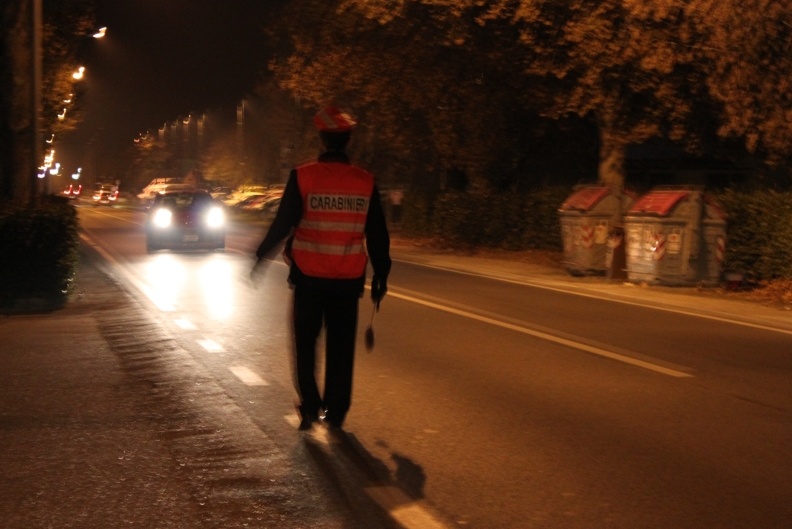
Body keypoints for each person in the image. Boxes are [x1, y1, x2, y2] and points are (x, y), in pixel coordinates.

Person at [250, 107, 391, 431]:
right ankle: (337, 412)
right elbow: (378, 233)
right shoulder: (365, 181)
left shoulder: (303, 176)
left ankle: (311, 406)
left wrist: (260, 257)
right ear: (348, 140)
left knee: (305, 344)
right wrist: (382, 275)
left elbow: (283, 222)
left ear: (322, 138)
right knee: (341, 349)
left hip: (309, 280)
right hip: (347, 282)